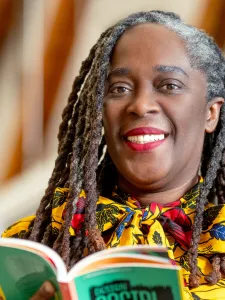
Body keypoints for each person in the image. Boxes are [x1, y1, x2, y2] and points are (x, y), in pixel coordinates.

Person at [2, 10, 225, 300]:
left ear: (211, 113)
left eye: (169, 86)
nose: (141, 105)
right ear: (99, 113)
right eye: (119, 88)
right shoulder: (31, 244)